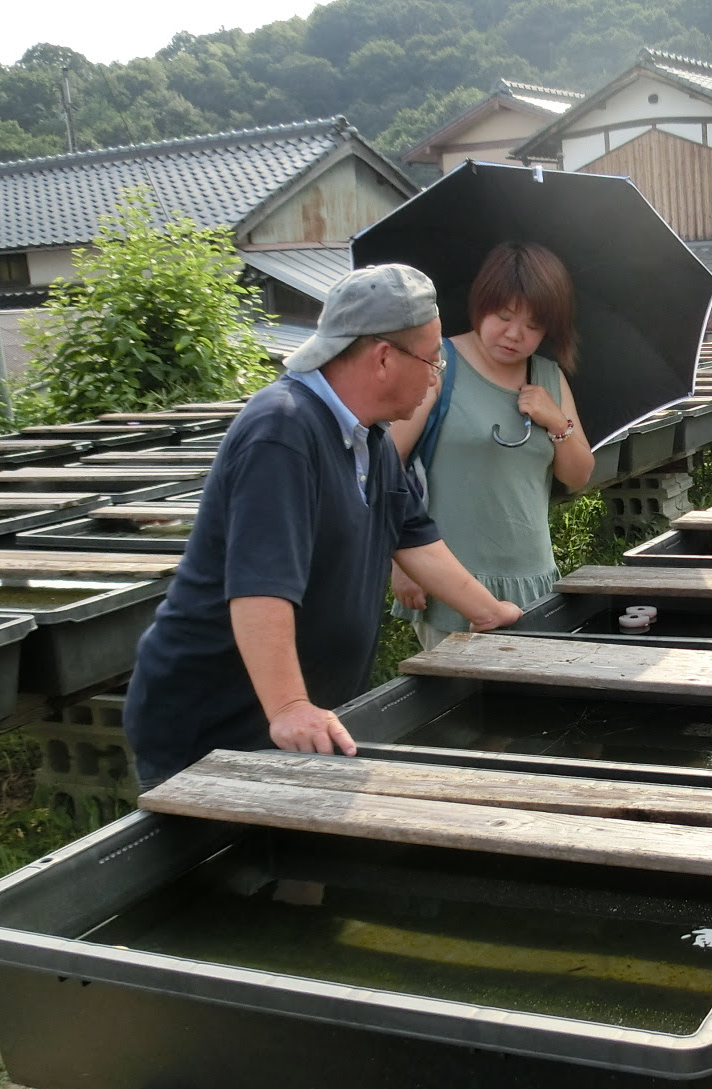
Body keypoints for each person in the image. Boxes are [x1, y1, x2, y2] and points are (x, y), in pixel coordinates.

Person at [124, 263, 522, 782]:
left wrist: (489, 613)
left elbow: (413, 537)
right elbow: (259, 587)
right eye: (432, 361)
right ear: (383, 359)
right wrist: (289, 704)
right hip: (217, 723)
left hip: (295, 724)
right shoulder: (284, 431)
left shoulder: (369, 439)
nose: (434, 377)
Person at [388, 242, 593, 648]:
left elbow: (579, 474)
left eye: (533, 326)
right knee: (463, 706)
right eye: (503, 316)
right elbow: (385, 465)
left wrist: (555, 420)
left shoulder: (548, 377)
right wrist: (402, 559)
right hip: (450, 582)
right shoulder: (440, 365)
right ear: (481, 304)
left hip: (534, 578)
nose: (515, 334)